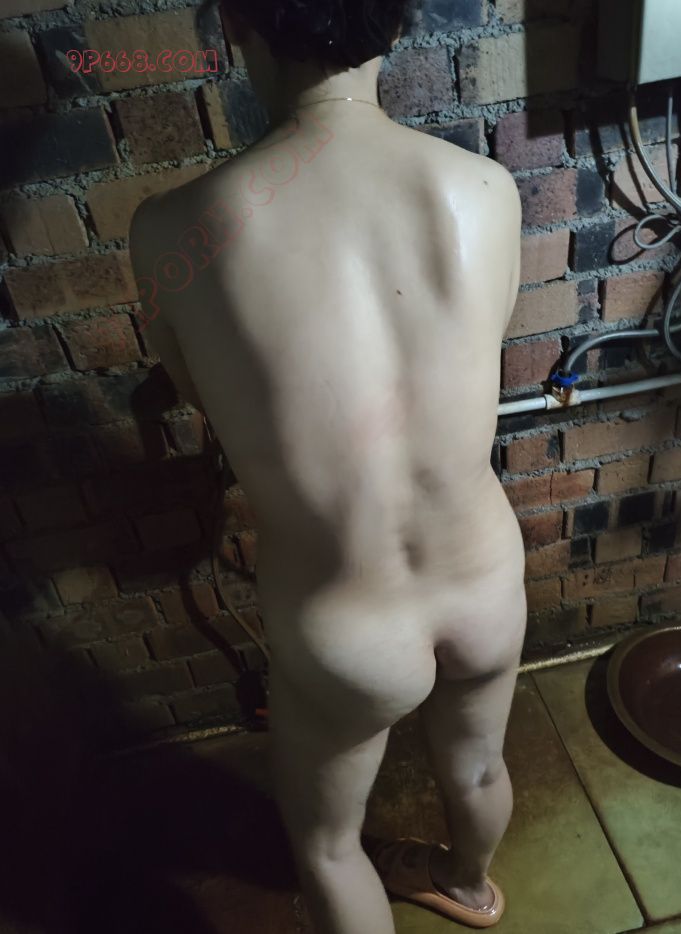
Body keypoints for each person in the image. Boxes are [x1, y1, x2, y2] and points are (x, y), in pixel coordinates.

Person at [128, 1, 527, 931]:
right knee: (478, 765)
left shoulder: (174, 228)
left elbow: (193, 387)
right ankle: (471, 889)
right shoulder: (485, 188)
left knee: (328, 844)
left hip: (346, 622)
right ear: (399, 20)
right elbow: (483, 335)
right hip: (484, 582)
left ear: (238, 21)